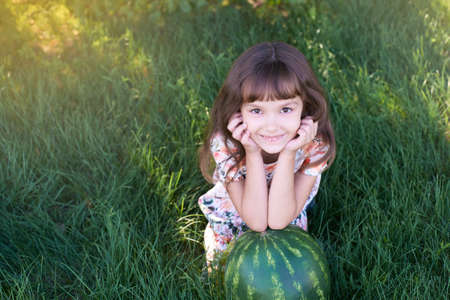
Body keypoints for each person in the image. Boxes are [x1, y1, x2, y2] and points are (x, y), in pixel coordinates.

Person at [198, 41, 336, 270]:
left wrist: (289, 153)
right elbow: (257, 222)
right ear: (238, 111)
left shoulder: (314, 142)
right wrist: (251, 152)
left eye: (285, 109)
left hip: (287, 203)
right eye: (256, 110)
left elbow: (279, 221)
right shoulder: (227, 143)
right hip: (241, 206)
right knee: (226, 266)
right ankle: (213, 235)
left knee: (285, 251)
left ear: (305, 107)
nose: (271, 127)